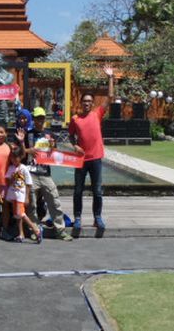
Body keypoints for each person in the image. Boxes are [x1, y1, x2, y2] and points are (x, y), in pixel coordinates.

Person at [69, 67, 114, 238]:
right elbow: (70, 135)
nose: (86, 103)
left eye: (89, 101)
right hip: (80, 160)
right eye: (84, 101)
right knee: (78, 191)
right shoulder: (75, 119)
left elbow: (110, 97)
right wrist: (74, 146)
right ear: (81, 103)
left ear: (92, 103)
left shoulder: (97, 114)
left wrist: (110, 78)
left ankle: (97, 217)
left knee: (97, 191)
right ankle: (78, 217)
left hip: (95, 158)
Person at [17, 107, 73, 241]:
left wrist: (53, 146)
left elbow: (54, 154)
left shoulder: (49, 135)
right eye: (37, 118)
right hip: (31, 173)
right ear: (34, 120)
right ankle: (34, 229)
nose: (39, 121)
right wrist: (28, 149)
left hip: (45, 172)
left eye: (42, 118)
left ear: (44, 120)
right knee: (32, 204)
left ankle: (60, 229)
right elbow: (20, 153)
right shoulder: (27, 133)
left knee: (54, 200)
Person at [4, 145, 42, 243]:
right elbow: (8, 181)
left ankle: (36, 230)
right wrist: (11, 179)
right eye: (12, 158)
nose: (14, 160)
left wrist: (27, 197)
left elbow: (29, 183)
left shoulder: (24, 168)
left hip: (20, 195)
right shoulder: (11, 168)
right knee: (18, 215)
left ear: (20, 157)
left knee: (21, 214)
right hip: (13, 195)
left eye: (16, 157)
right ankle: (21, 234)